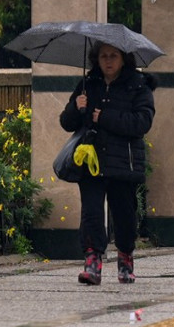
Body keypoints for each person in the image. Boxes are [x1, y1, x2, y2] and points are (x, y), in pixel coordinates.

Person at [60, 42, 156, 285]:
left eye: (114, 55)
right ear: (97, 59)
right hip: (91, 160)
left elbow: (142, 123)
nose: (108, 61)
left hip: (124, 162)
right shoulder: (88, 84)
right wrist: (76, 107)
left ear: (124, 59)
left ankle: (125, 258)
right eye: (103, 56)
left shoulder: (138, 85)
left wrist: (105, 117)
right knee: (91, 213)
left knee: (124, 214)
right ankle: (92, 263)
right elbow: (67, 123)